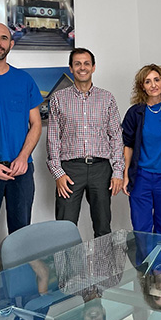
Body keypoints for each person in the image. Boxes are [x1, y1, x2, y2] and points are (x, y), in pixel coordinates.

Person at [0, 23, 43, 277]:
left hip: (21, 170)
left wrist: (23, 157)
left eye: (3, 38)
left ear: (11, 44)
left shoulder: (24, 80)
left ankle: (21, 292)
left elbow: (36, 124)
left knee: (21, 238)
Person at [47, 48, 124, 237]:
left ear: (93, 67)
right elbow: (53, 138)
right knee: (65, 228)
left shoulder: (107, 98)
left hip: (101, 170)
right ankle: (67, 259)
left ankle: (103, 258)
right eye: (78, 64)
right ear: (71, 68)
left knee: (103, 227)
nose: (82, 67)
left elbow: (116, 136)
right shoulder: (58, 99)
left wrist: (117, 171)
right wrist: (58, 173)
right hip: (70, 170)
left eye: (86, 63)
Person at [122, 64, 161, 235]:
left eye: (156, 80)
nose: (153, 85)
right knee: (141, 228)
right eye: (147, 81)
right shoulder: (135, 113)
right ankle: (143, 254)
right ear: (142, 86)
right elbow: (128, 145)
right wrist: (126, 175)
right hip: (141, 177)